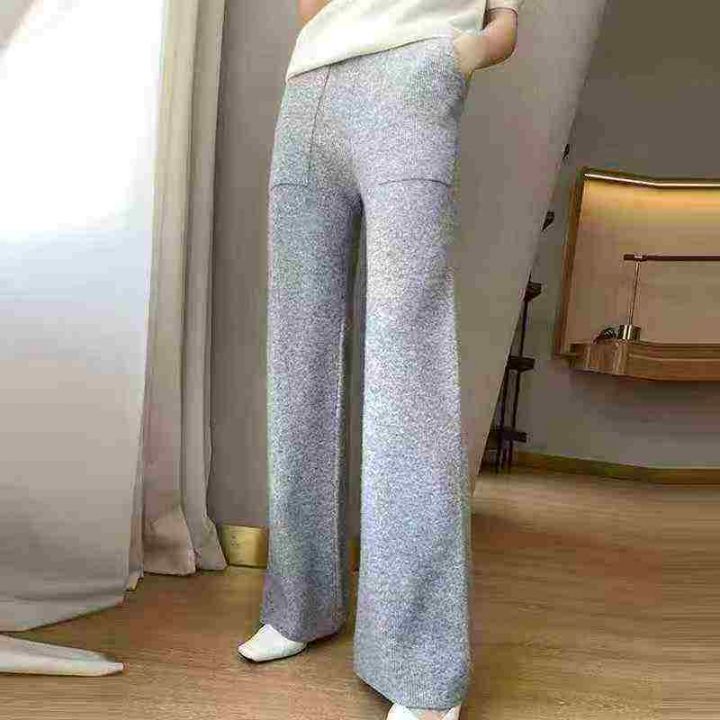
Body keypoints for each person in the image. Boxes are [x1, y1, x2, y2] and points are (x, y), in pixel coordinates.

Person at [238, 2, 523, 718]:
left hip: (412, 78)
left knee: (408, 363)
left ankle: (422, 670)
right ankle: (299, 605)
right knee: (298, 357)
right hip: (309, 89)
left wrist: (454, 58)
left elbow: (507, 24)